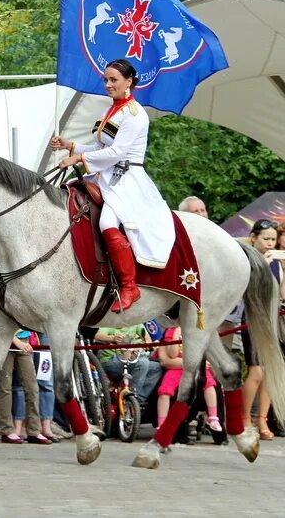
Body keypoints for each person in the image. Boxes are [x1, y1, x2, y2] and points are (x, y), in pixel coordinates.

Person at [52, 58, 174, 312]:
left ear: (129, 82)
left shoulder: (135, 114)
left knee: (107, 222)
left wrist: (78, 158)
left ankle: (130, 286)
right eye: (106, 79)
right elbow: (100, 148)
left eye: (113, 80)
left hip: (126, 180)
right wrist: (70, 145)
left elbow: (117, 152)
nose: (107, 84)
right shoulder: (111, 111)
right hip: (104, 176)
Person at [241, 219, 283, 439]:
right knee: (256, 371)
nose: (270, 244)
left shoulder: (276, 260)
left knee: (270, 371)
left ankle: (262, 419)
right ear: (253, 237)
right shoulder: (246, 257)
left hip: (272, 319)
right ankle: (245, 418)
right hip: (252, 317)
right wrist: (263, 267)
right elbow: (244, 289)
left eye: (273, 240)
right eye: (266, 239)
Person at [157, 325, 221, 433]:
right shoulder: (172, 331)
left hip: (197, 368)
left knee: (210, 384)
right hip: (177, 368)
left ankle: (213, 417)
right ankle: (162, 424)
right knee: (164, 390)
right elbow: (172, 355)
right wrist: (176, 335)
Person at [95, 324, 162, 400]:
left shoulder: (136, 322)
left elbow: (148, 340)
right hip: (112, 360)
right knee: (143, 363)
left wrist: (142, 346)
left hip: (133, 357)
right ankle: (131, 397)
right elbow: (97, 336)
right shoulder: (111, 322)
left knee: (156, 368)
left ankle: (138, 400)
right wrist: (113, 338)